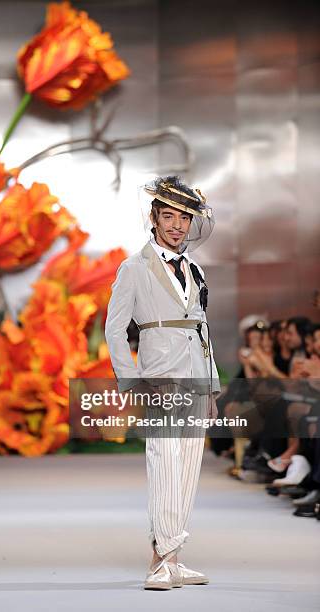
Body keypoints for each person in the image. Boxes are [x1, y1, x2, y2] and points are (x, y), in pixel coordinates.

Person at [105, 175, 221, 590]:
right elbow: (115, 330)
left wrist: (212, 386)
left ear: (191, 223)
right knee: (164, 466)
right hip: (159, 377)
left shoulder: (194, 268)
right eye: (168, 216)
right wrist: (132, 383)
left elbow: (202, 327)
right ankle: (159, 560)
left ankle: (173, 558)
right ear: (153, 219)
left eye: (183, 218)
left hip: (195, 376)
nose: (176, 225)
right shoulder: (134, 267)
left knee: (188, 469)